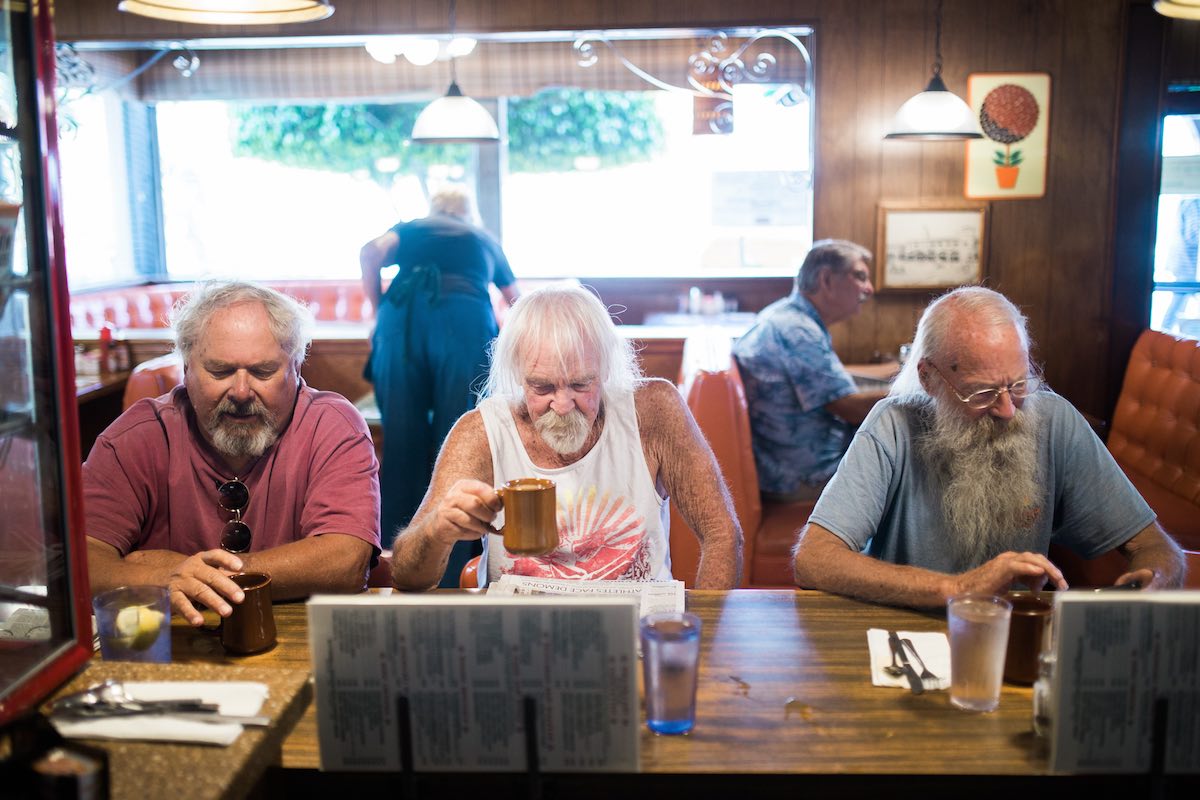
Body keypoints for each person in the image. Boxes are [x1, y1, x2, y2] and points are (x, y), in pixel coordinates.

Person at [793, 286, 1186, 608]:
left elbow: (1155, 546)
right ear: (929, 379)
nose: (1007, 410)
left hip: (1014, 640)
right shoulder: (893, 425)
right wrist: (958, 589)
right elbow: (814, 559)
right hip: (906, 636)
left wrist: (1156, 580)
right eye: (981, 393)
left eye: (1018, 384)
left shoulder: (1055, 421)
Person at [389, 283, 742, 591]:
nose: (562, 404)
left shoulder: (653, 411)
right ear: (517, 375)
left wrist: (696, 638)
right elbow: (406, 575)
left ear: (605, 369)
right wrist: (437, 531)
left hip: (636, 636)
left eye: (580, 384)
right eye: (542, 387)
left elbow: (722, 534)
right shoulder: (482, 431)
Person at [84, 281, 381, 625]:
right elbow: (83, 564)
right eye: (220, 371)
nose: (241, 391)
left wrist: (192, 573)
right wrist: (163, 579)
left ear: (296, 370)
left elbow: (344, 561)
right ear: (186, 370)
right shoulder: (135, 436)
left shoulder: (333, 426)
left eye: (262, 372)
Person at [360, 185, 520, 581]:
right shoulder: (482, 238)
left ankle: (391, 567)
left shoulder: (412, 228)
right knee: (461, 441)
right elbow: (517, 302)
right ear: (467, 214)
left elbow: (370, 253)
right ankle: (454, 571)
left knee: (402, 442)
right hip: (463, 323)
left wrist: (378, 312)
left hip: (403, 323)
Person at [732, 239, 888, 501]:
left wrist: (893, 372)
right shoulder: (798, 331)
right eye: (860, 277)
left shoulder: (786, 315)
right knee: (912, 468)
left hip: (786, 463)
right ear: (826, 280)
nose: (869, 289)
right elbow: (850, 407)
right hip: (802, 476)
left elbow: (831, 380)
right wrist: (917, 392)